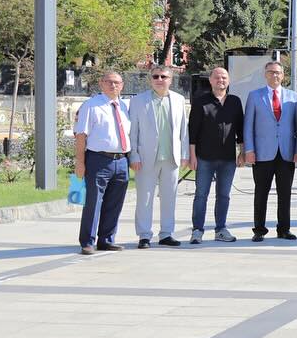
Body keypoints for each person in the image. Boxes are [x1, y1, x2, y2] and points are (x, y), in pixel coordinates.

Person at [127, 65, 190, 248]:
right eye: (156, 76)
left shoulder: (178, 100)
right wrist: (134, 155)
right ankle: (144, 235)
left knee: (169, 197)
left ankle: (166, 234)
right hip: (146, 157)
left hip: (171, 157)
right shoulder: (139, 101)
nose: (160, 80)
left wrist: (184, 154)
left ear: (171, 80)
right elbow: (133, 132)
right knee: (144, 198)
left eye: (164, 76)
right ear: (150, 79)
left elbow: (183, 130)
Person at [73, 70, 132, 254]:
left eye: (117, 82)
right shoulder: (91, 105)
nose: (113, 85)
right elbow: (81, 135)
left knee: (115, 203)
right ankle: (87, 241)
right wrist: (80, 162)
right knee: (93, 202)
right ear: (101, 84)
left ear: (122, 85)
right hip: (98, 159)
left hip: (121, 160)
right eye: (109, 82)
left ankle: (106, 239)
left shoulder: (124, 106)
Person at [243, 60, 297, 242]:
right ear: (265, 74)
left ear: (283, 75)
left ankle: (284, 229)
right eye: (270, 72)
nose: (274, 75)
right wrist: (249, 149)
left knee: (285, 193)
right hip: (262, 153)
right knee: (261, 192)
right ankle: (259, 230)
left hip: (286, 152)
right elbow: (248, 126)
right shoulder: (254, 96)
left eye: (277, 72)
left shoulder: (294, 97)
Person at [188, 66, 243, 244]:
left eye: (224, 77)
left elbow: (241, 130)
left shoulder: (235, 101)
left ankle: (220, 229)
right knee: (201, 194)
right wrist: (192, 156)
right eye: (217, 77)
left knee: (224, 195)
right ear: (210, 80)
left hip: (227, 158)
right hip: (204, 157)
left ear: (228, 81)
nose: (221, 80)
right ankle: (197, 230)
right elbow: (193, 131)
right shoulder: (200, 101)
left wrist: (242, 152)